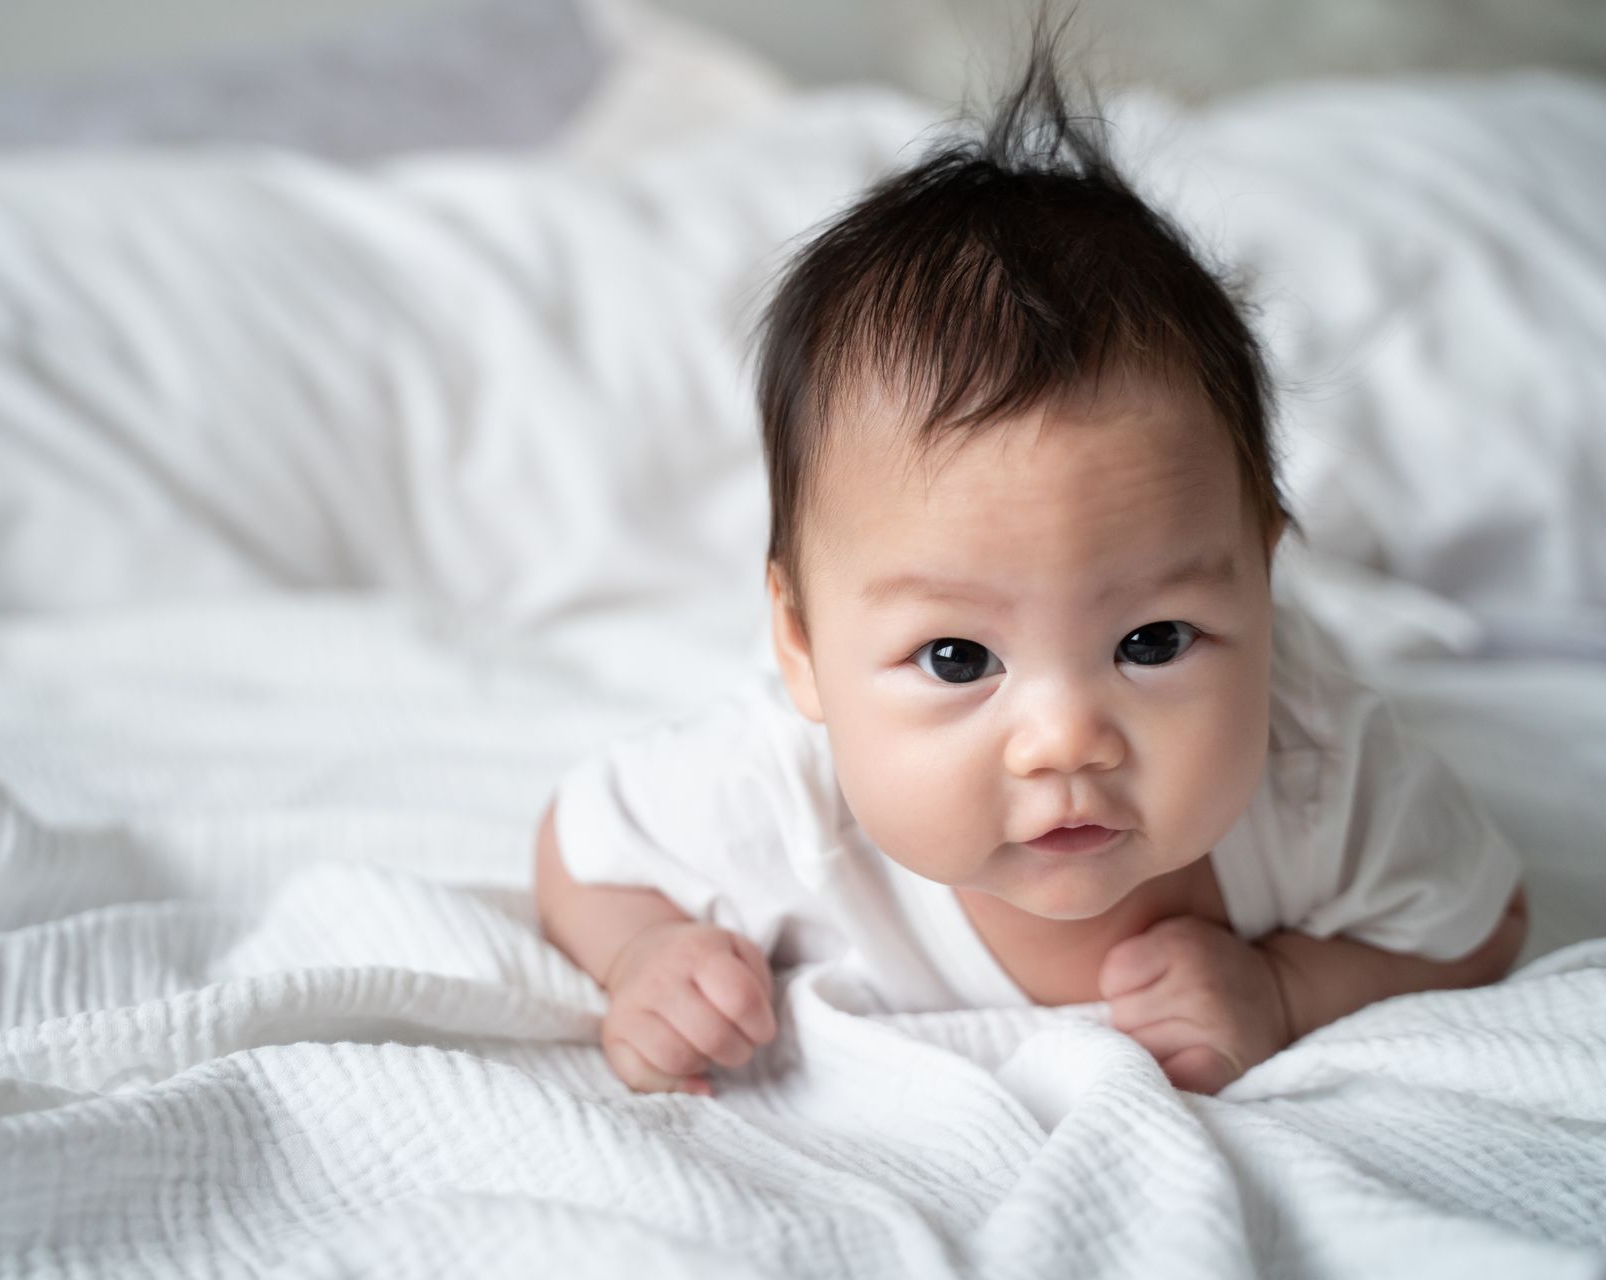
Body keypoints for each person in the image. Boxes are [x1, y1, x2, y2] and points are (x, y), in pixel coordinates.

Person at [531, 36, 1528, 1098]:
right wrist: (646, 956)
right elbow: (581, 848)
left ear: (1259, 588)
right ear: (800, 645)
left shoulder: (1323, 780)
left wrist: (1284, 984)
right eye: (958, 657)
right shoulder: (779, 792)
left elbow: (1482, 920)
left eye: (1151, 643)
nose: (1065, 738)